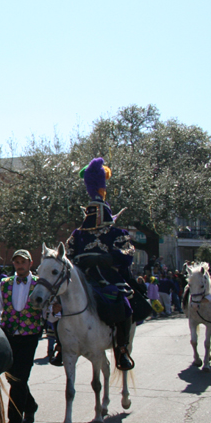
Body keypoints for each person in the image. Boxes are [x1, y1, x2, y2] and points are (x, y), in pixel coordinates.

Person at [65, 157, 138, 371]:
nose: (92, 214)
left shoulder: (116, 233)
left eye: (96, 209)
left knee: (124, 304)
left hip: (108, 278)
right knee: (58, 302)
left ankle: (122, 350)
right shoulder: (77, 235)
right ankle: (60, 345)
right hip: (84, 278)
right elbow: (68, 254)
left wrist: (109, 258)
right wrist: (80, 260)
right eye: (90, 210)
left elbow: (127, 254)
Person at [0, 249, 41, 423]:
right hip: (10, 335)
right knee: (13, 378)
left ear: (30, 263)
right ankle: (31, 405)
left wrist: (55, 312)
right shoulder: (5, 284)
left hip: (30, 336)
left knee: (19, 379)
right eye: (16, 262)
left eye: (23, 262)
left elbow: (50, 309)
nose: (19, 265)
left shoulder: (39, 284)